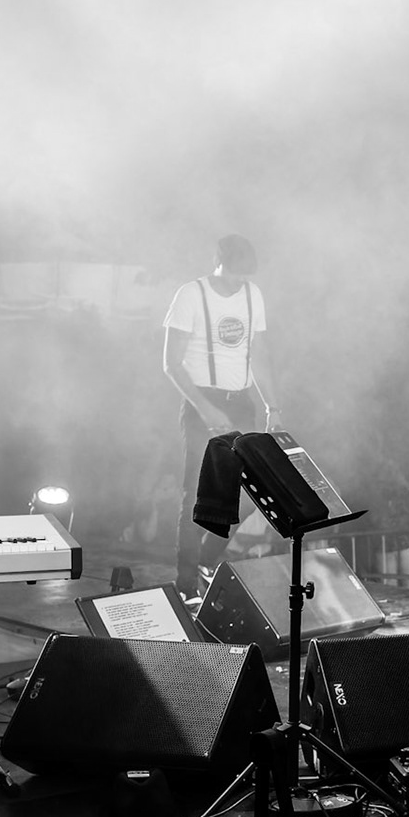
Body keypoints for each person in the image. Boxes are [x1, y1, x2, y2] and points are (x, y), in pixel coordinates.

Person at [164, 233, 280, 598]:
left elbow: (258, 356)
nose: (239, 282)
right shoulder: (190, 295)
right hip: (202, 402)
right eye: (233, 274)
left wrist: (271, 406)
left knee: (254, 491)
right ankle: (186, 586)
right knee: (195, 497)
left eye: (244, 276)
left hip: (241, 401)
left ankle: (206, 556)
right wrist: (205, 407)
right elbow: (171, 363)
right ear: (219, 262)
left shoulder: (252, 294)